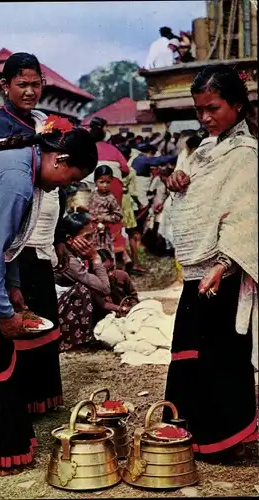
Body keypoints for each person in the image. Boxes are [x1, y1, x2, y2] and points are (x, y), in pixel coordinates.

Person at [0, 124, 97, 476]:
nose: (61, 187)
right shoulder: (15, 178)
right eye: (66, 179)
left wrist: (12, 287)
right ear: (58, 159)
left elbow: (9, 241)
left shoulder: (24, 165)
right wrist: (3, 311)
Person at [163, 65, 258, 463]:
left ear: (237, 105)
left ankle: (225, 438)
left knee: (221, 355)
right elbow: (185, 212)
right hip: (197, 270)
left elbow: (246, 215)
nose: (204, 117)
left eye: (213, 108)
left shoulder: (246, 156)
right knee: (188, 348)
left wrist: (224, 264)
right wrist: (177, 185)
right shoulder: (200, 152)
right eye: (198, 109)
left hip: (225, 270)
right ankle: (190, 431)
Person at [0, 52, 68, 414]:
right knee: (15, 308)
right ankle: (20, 399)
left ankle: (43, 397)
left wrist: (59, 233)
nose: (30, 91)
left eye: (35, 84)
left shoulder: (44, 122)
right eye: (22, 84)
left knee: (39, 306)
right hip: (7, 225)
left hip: (40, 226)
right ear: (5, 86)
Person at [54, 212, 111, 351]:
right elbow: (104, 289)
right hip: (57, 313)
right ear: (69, 239)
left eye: (92, 236)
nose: (92, 242)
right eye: (87, 237)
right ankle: (77, 342)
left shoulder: (72, 254)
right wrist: (95, 258)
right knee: (83, 289)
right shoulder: (67, 260)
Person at [118, 143, 145, 274]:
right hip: (127, 202)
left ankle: (122, 260)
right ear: (129, 156)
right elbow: (133, 192)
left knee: (116, 232)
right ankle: (135, 263)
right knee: (132, 234)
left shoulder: (114, 169)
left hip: (115, 200)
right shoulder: (131, 171)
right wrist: (140, 203)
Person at [88, 165, 124, 257]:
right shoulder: (93, 194)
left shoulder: (110, 198)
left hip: (102, 234)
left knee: (103, 255)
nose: (105, 185)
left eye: (108, 182)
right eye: (101, 182)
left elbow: (118, 216)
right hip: (90, 230)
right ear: (95, 182)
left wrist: (104, 218)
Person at [94, 249, 139, 320]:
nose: (110, 274)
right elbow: (101, 304)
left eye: (112, 269)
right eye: (106, 272)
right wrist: (119, 308)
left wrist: (134, 309)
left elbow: (133, 296)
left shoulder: (122, 275)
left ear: (112, 261)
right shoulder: (93, 282)